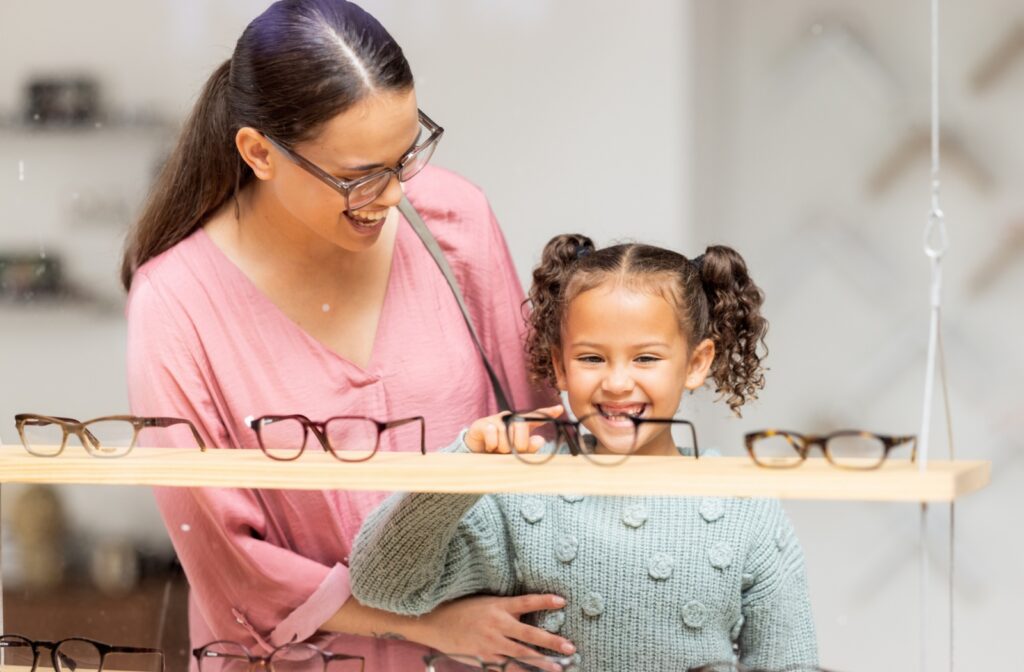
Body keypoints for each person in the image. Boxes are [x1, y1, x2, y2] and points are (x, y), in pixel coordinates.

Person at [122, 1, 569, 669]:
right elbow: (227, 561)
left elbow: (539, 427)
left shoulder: (454, 220)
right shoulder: (176, 302)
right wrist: (434, 624)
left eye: (406, 154)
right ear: (257, 153)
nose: (391, 195)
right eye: (359, 177)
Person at [350, 235, 819, 671]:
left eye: (646, 358)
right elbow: (383, 585)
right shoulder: (523, 494)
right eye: (592, 358)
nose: (616, 382)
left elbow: (788, 660)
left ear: (696, 363)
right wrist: (459, 471)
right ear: (559, 364)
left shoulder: (746, 508)